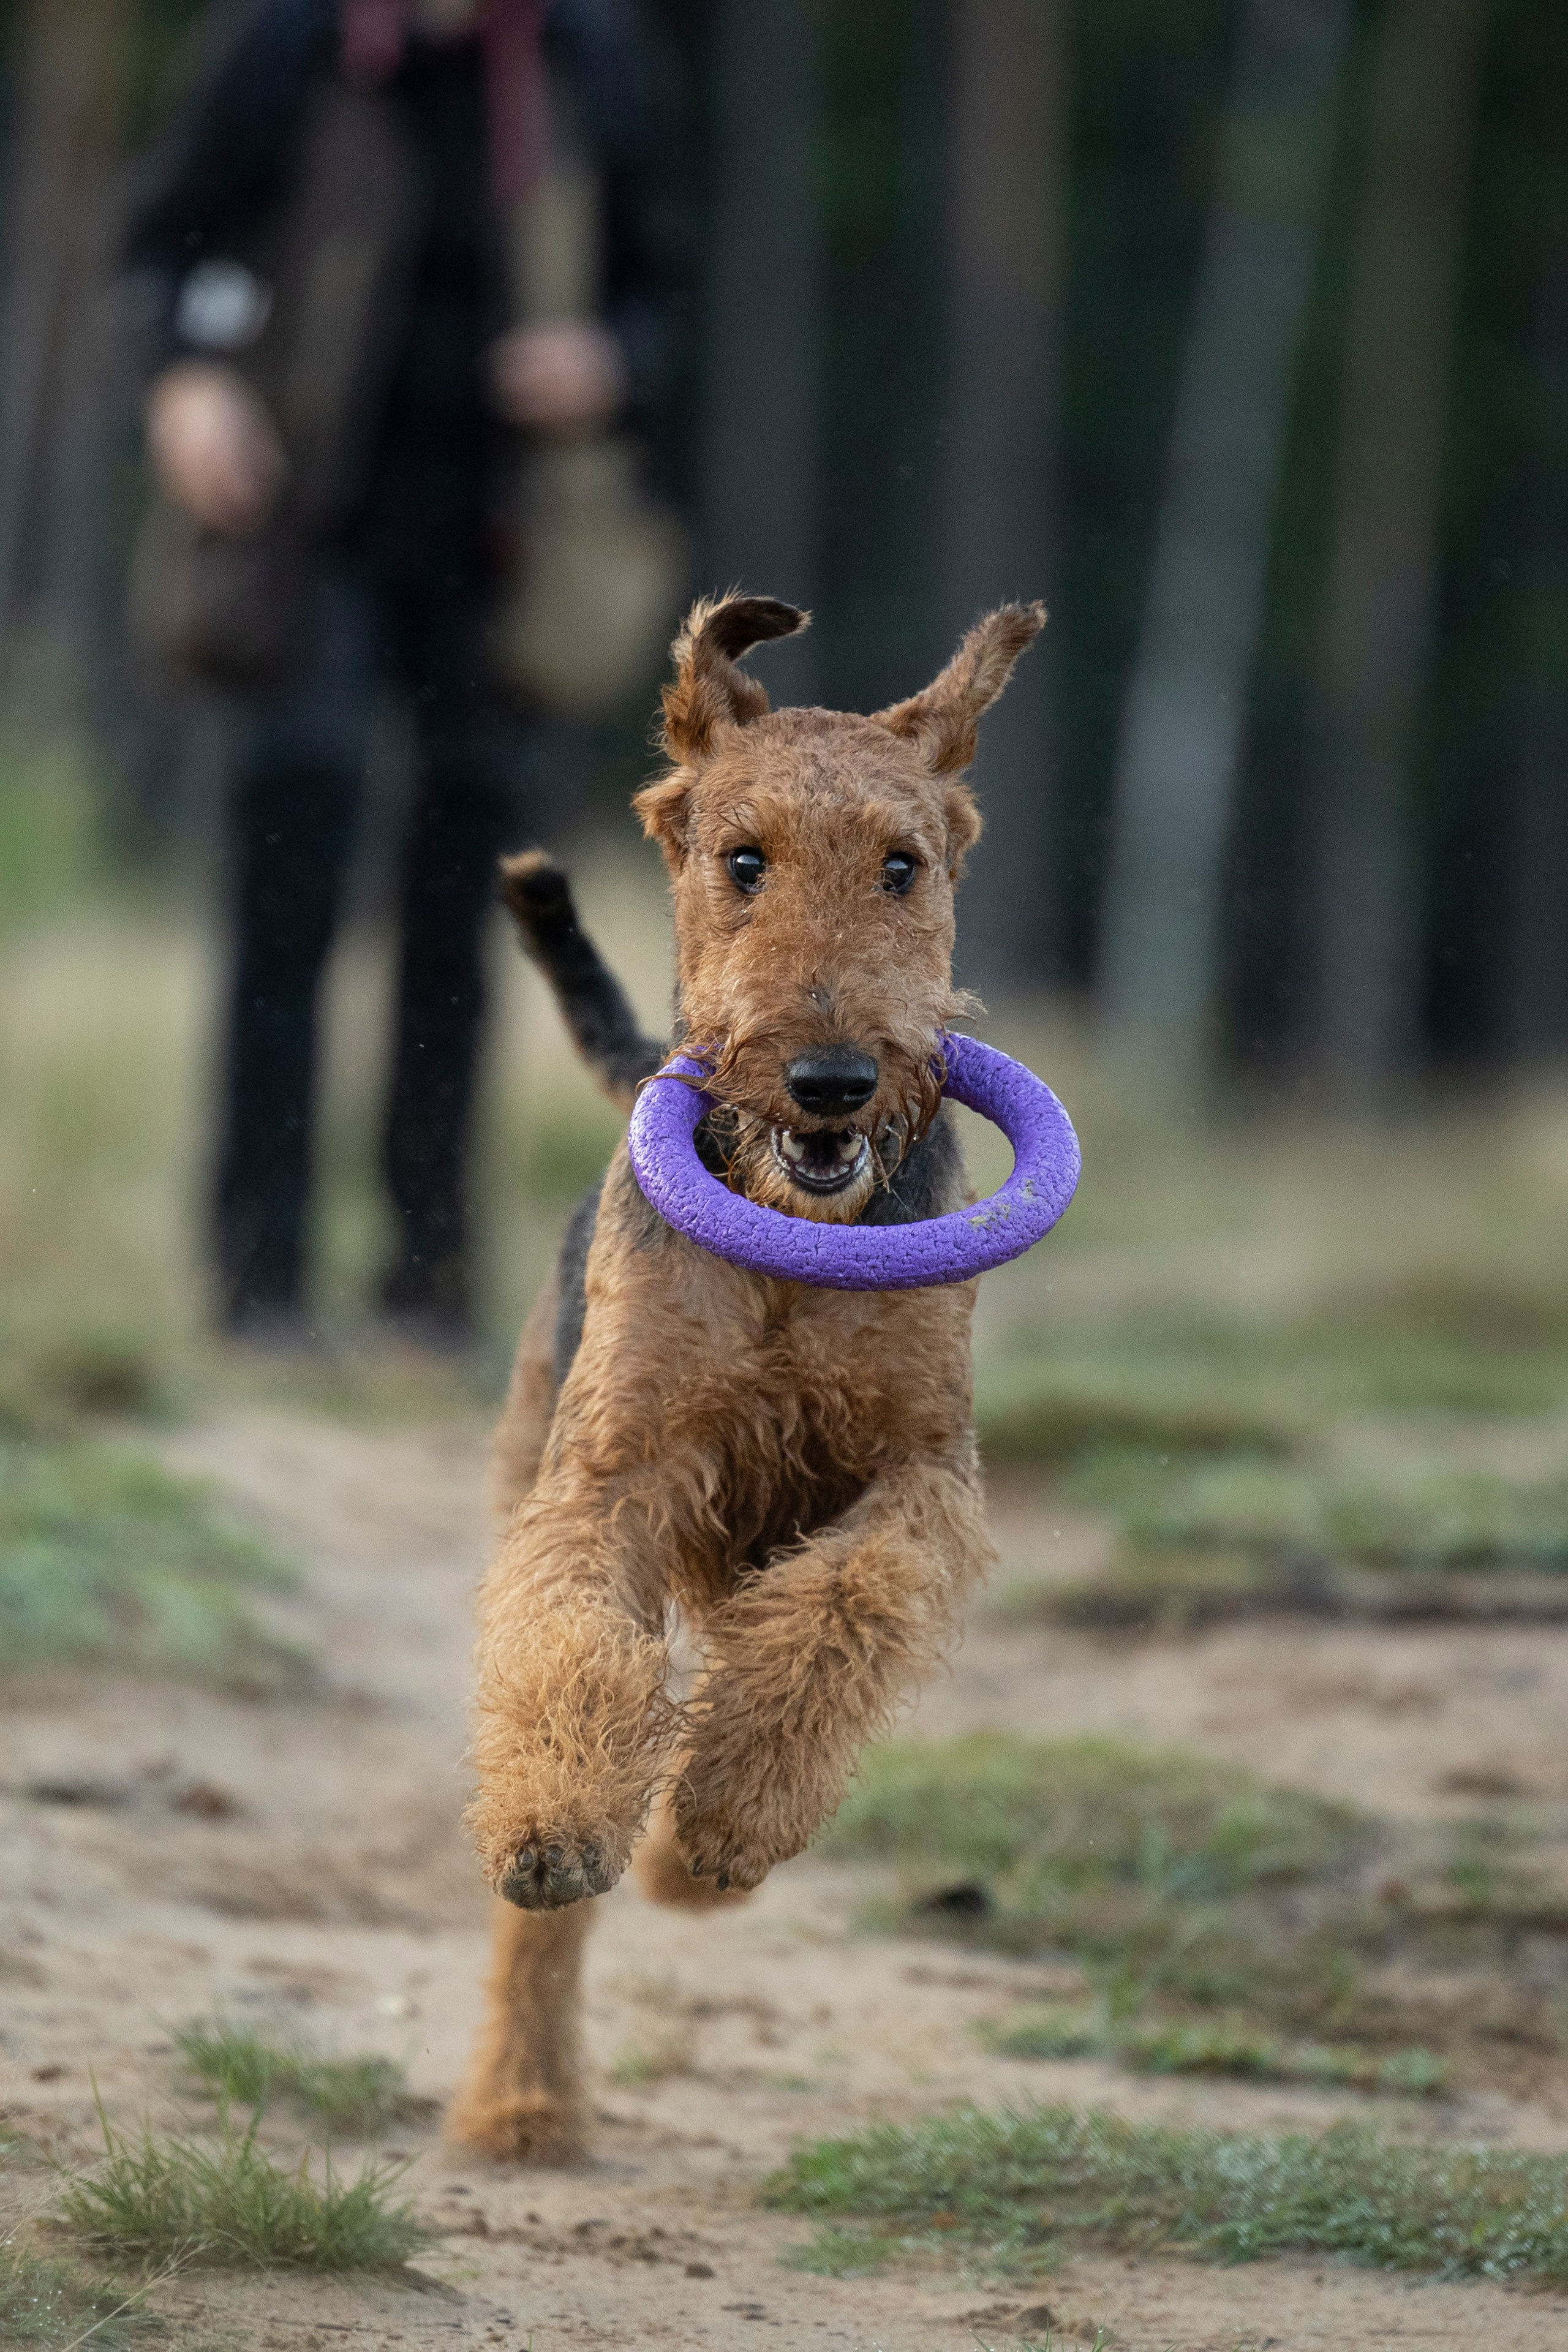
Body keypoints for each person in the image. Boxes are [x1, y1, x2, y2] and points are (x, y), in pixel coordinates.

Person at [121, 0, 687, 1350]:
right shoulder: (287, 42)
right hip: (303, 534)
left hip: (501, 550)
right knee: (291, 851)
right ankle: (259, 1280)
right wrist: (189, 379)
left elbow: (661, 293)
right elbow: (171, 244)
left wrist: (610, 359)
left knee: (466, 891)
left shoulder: (586, 58)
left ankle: (426, 1276)